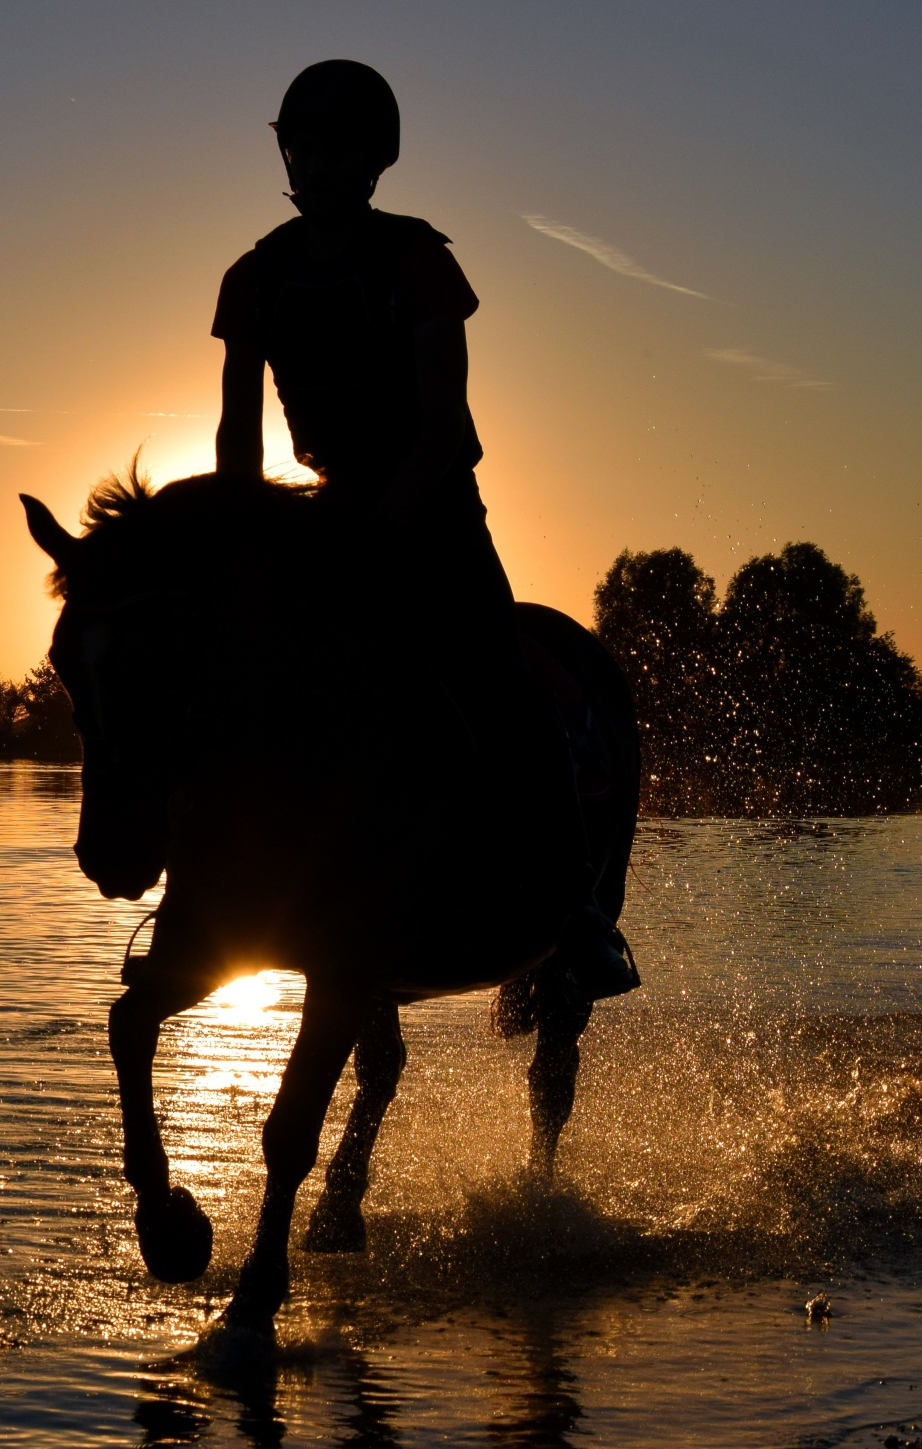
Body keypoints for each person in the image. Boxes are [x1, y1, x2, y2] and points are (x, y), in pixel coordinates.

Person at [210, 58, 639, 1000]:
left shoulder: (417, 263)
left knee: (495, 680)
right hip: (325, 512)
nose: (313, 165)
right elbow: (238, 429)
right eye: (300, 145)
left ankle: (575, 912)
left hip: (433, 511)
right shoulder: (255, 277)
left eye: (334, 149)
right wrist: (241, 533)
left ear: (374, 161)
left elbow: (444, 424)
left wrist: (383, 528)